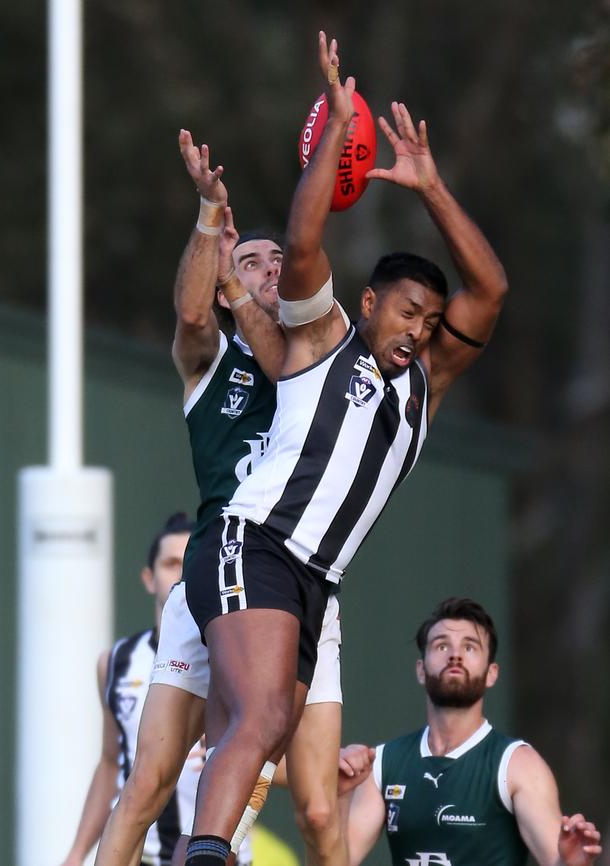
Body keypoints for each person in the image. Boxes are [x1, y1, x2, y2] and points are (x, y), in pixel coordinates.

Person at [181, 31, 510, 866]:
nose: (417, 330)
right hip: (252, 542)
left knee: (258, 739)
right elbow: (300, 243)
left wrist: (432, 186)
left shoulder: (423, 389)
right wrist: (334, 130)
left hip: (313, 582)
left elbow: (492, 290)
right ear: (367, 304)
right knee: (257, 722)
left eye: (429, 322)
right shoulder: (320, 338)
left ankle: (201, 848)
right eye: (405, 312)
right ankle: (207, 856)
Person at [94, 129, 344, 866]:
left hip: (301, 580)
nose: (269, 271)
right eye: (250, 261)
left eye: (277, 261)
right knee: (149, 782)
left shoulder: (324, 356)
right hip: (219, 571)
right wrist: (210, 217)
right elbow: (194, 315)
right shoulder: (211, 363)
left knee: (316, 803)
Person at [337, 597, 603, 866]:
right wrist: (342, 796)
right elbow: (336, 862)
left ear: (492, 673)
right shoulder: (384, 763)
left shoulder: (518, 765)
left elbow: (555, 860)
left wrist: (572, 863)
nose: (455, 654)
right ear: (420, 670)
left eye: (470, 647)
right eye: (441, 645)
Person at [59, 513, 250, 866]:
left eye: (189, 562)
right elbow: (109, 762)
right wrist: (76, 852)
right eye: (170, 563)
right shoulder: (115, 662)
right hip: (141, 855)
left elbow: (275, 757)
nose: (180, 574)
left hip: (216, 854)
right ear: (149, 578)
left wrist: (235, 746)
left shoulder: (238, 657)